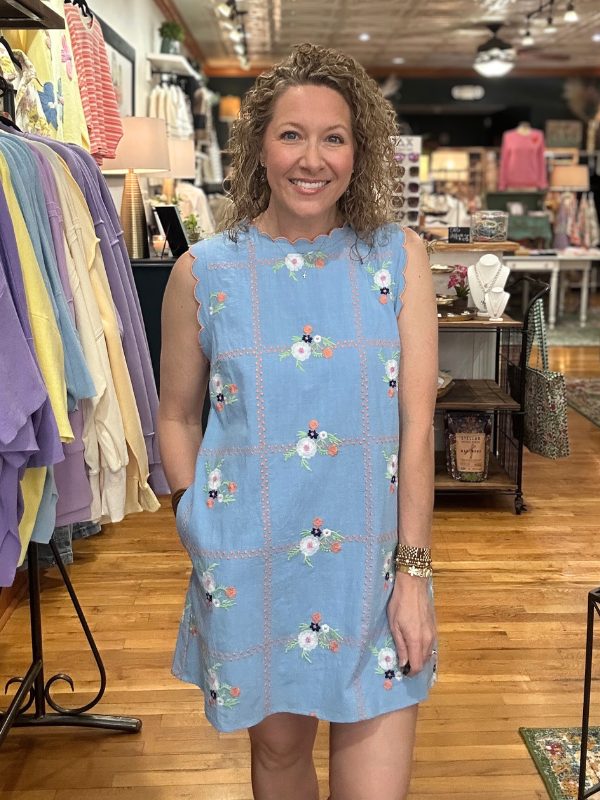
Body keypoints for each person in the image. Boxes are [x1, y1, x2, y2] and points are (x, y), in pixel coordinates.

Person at [158, 42, 438, 800]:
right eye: (291, 134)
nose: (310, 159)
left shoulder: (398, 260)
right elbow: (176, 416)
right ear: (259, 145)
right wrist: (198, 523)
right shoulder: (204, 272)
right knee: (279, 764)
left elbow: (416, 427)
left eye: (333, 137)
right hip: (253, 565)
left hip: (375, 573)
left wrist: (413, 574)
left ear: (359, 152)